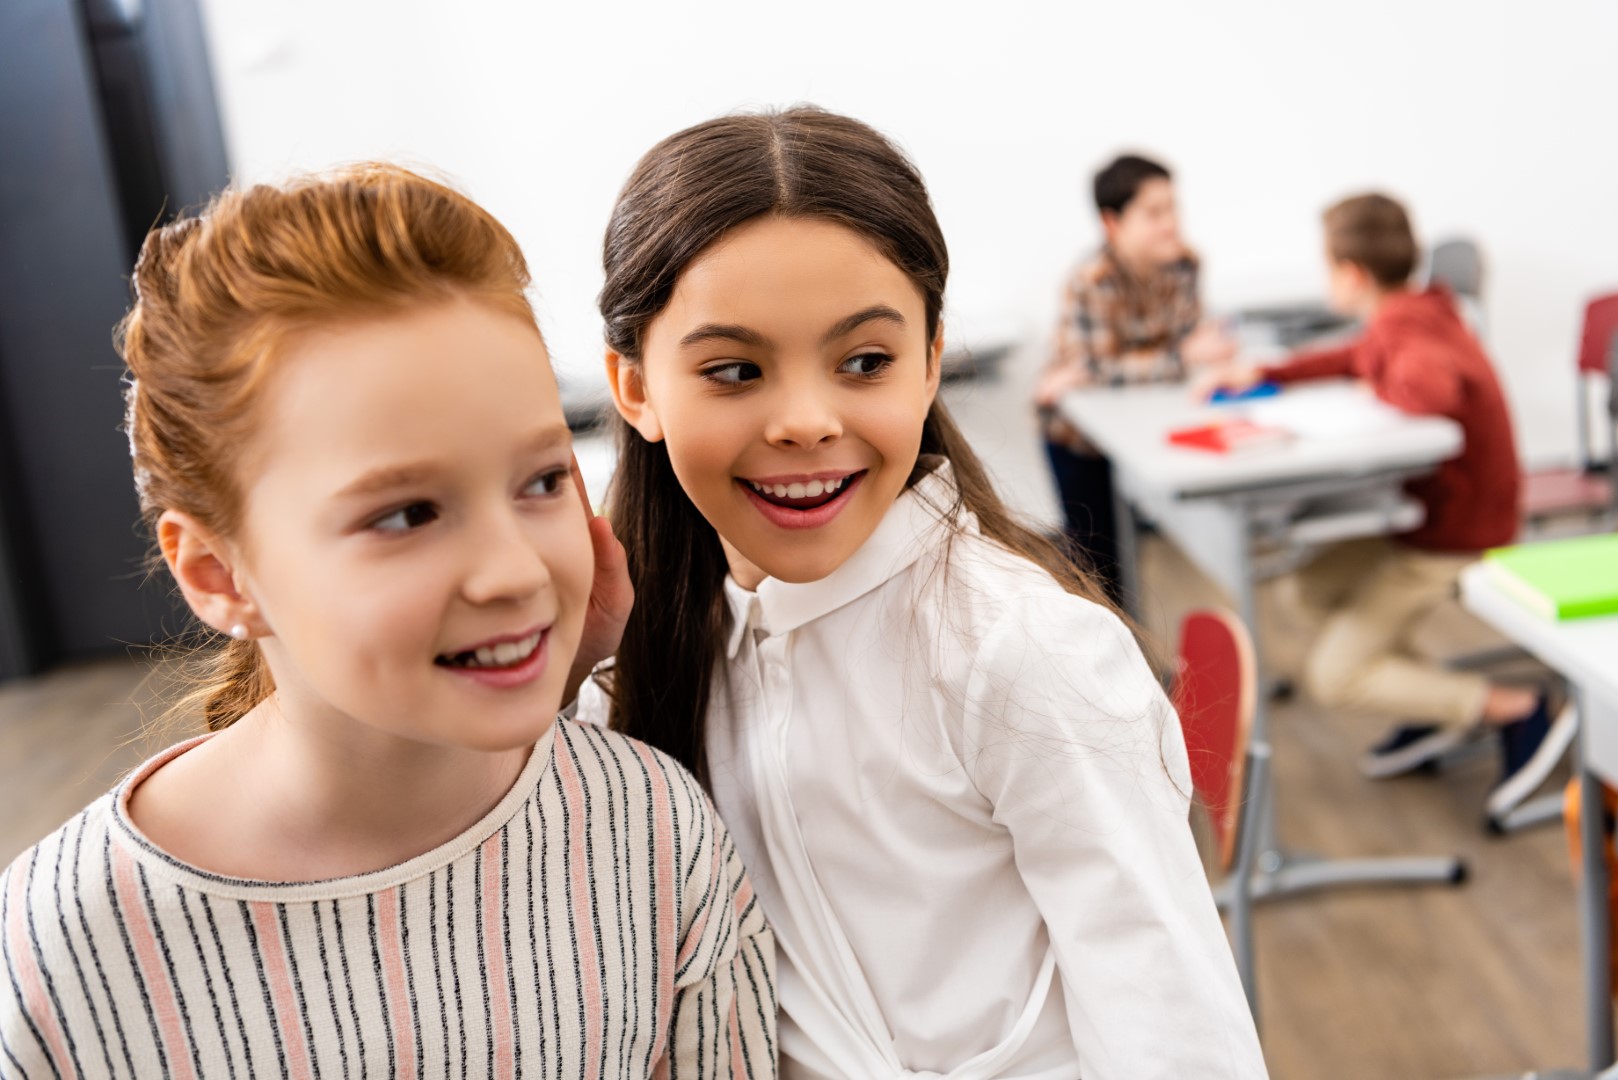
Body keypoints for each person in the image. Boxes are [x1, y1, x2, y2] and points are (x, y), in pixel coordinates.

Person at [0, 165, 775, 1079]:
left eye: (540, 481)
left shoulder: (651, 830)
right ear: (217, 572)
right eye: (407, 514)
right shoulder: (57, 958)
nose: (516, 570)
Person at [581, 107, 1266, 1079]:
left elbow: (1178, 1043)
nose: (807, 421)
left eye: (864, 362)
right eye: (734, 371)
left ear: (931, 358)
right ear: (635, 385)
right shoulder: (642, 659)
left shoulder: (1020, 653)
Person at [1208, 193, 1561, 803]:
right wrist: (1273, 375)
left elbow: (1433, 389)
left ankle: (1514, 709)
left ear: (1351, 274)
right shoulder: (1412, 310)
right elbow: (1359, 355)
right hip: (1424, 517)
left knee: (1334, 676)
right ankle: (1423, 693)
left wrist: (1380, 388)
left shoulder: (1411, 327)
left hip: (1454, 533)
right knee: (1306, 589)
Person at [1034, 154, 1237, 597]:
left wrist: (1187, 355)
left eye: (1173, 208)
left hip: (1141, 426)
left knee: (1152, 546)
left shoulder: (1184, 265)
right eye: (1154, 213)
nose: (1171, 223)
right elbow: (1093, 368)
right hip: (1077, 438)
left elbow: (1110, 367)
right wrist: (1178, 357)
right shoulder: (1092, 280)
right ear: (1112, 222)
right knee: (1098, 560)